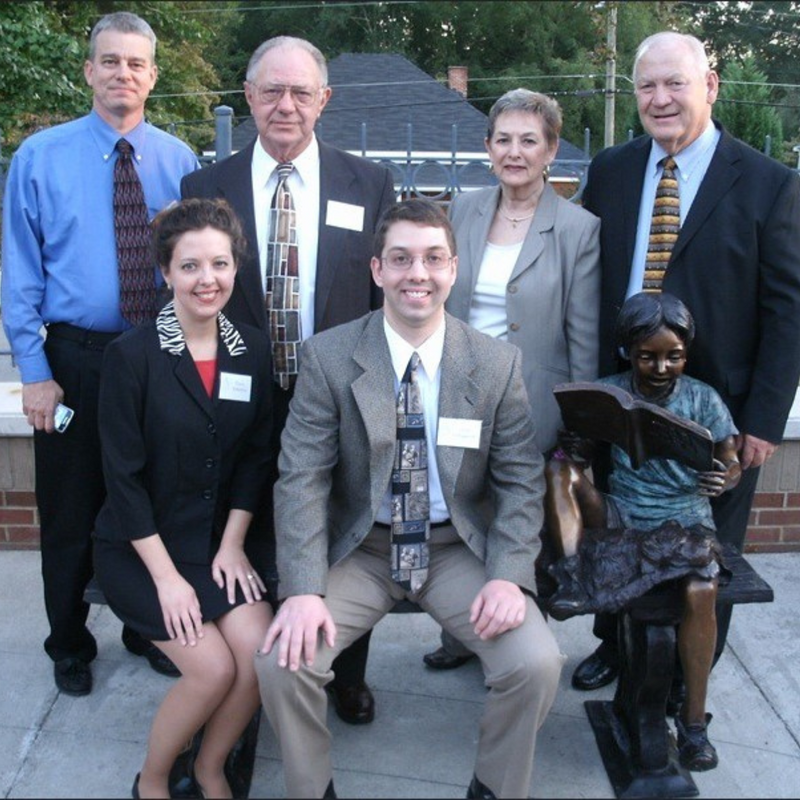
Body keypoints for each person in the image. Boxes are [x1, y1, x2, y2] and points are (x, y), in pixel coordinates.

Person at [255, 199, 564, 800]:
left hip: (455, 549)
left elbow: (521, 480)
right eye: (400, 259)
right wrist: (300, 588)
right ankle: (312, 789)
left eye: (431, 259)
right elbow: (301, 478)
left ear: (453, 269)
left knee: (535, 663)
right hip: (361, 549)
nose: (416, 273)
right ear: (377, 270)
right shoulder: (329, 355)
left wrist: (508, 576)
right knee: (283, 663)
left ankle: (496, 789)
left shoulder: (495, 363)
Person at [571, 30, 800, 696]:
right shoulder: (611, 170)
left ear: (712, 85)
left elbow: (788, 313)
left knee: (706, 559)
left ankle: (680, 690)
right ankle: (616, 648)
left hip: (714, 418)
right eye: (647, 85)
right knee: (614, 535)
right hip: (620, 400)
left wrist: (759, 421)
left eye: (676, 83)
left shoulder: (768, 185)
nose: (661, 98)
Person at [181, 35, 395, 725]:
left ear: (323, 100)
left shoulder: (369, 183)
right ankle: (250, 664)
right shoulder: (204, 187)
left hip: (335, 394)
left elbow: (378, 295)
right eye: (271, 90)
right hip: (240, 394)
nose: (286, 105)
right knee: (241, 527)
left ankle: (344, 671)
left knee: (341, 529)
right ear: (248, 97)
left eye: (301, 92)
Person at [0, 11, 200, 695]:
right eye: (110, 61)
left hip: (156, 355)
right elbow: (19, 274)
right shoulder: (39, 157)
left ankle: (146, 626)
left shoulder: (181, 162)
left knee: (157, 500)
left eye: (137, 63)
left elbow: (198, 267)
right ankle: (68, 641)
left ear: (152, 74)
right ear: (89, 70)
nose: (124, 74)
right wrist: (36, 374)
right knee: (70, 504)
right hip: (75, 361)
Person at [93, 198, 274, 800]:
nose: (208, 280)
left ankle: (209, 767)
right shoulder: (132, 358)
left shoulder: (250, 348)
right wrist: (168, 580)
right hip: (140, 546)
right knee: (212, 669)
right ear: (166, 272)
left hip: (215, 542)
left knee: (258, 660)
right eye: (190, 266)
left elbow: (255, 456)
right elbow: (122, 480)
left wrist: (233, 543)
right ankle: (151, 779)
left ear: (235, 268)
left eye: (219, 264)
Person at [424, 89, 601, 670]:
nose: (515, 151)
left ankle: (521, 647)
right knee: (462, 512)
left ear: (551, 150)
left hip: (534, 402)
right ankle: (462, 631)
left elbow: (582, 334)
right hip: (461, 391)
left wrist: (580, 424)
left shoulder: (578, 228)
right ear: (488, 147)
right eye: (504, 139)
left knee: (525, 525)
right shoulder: (464, 209)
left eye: (530, 140)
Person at [545, 292, 740, 771]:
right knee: (556, 472)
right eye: (647, 356)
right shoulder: (607, 389)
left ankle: (693, 724)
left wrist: (726, 474)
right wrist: (574, 450)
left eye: (673, 356)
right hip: (622, 511)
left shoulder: (702, 398)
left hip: (684, 518)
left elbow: (731, 458)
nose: (660, 367)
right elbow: (579, 458)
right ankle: (571, 575)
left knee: (701, 587)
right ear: (628, 353)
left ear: (686, 354)